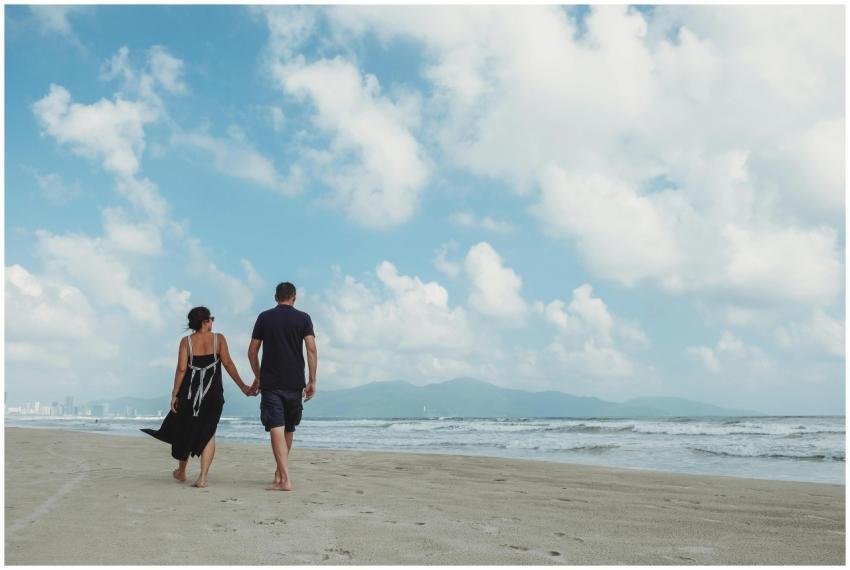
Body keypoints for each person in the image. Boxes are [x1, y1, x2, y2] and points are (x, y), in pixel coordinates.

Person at [142, 307, 252, 487]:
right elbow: (228, 364)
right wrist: (243, 387)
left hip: (189, 395)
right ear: (205, 322)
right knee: (209, 433)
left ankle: (182, 472)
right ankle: (202, 478)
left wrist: (174, 394)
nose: (212, 322)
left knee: (184, 430)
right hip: (213, 395)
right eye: (211, 319)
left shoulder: (187, 342)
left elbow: (181, 369)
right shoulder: (219, 339)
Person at [248, 282, 317, 491]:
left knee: (276, 427)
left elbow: (252, 352)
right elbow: (311, 349)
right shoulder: (304, 318)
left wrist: (258, 377)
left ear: (275, 297)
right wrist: (312, 380)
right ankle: (281, 474)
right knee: (288, 427)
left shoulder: (264, 317)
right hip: (295, 382)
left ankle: (283, 478)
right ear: (294, 297)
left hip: (271, 382)